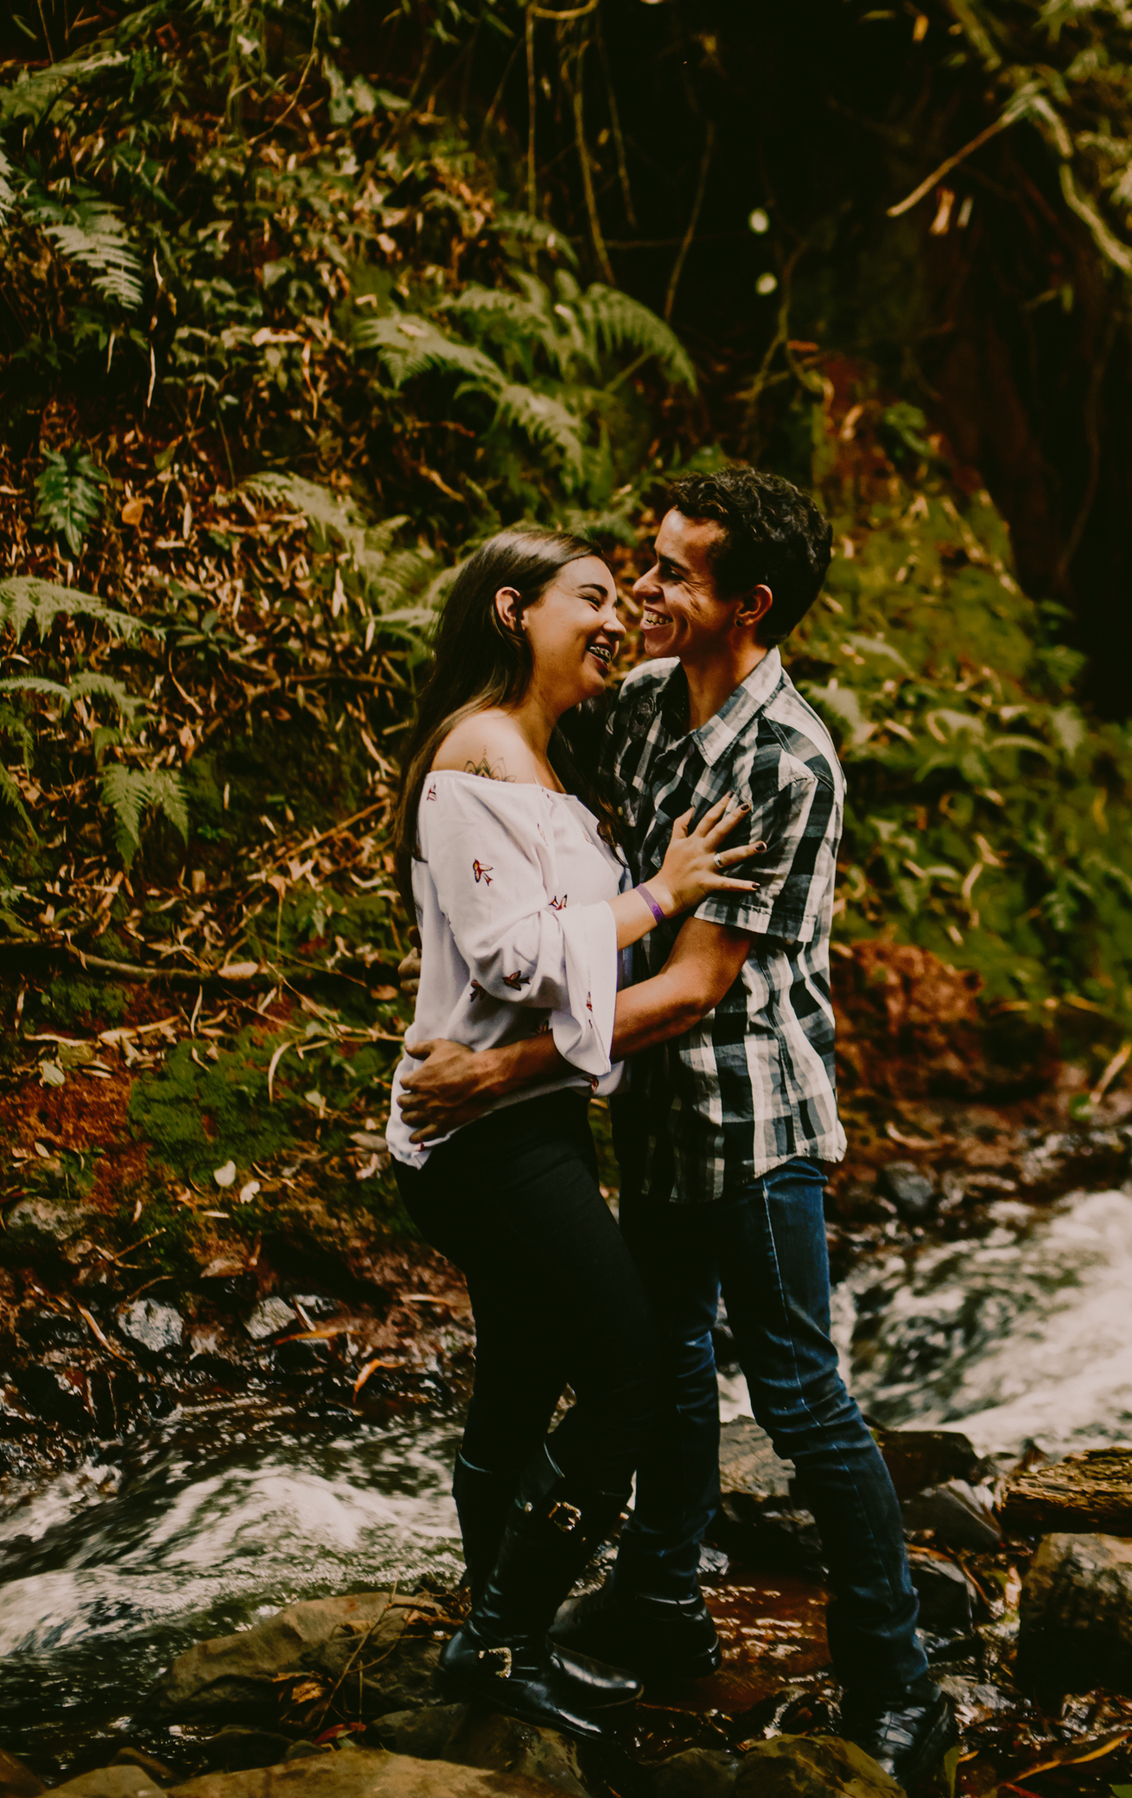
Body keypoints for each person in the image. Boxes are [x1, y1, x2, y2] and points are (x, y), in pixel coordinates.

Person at [396, 470, 955, 1790]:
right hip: (644, 1114)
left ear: (748, 604)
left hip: (751, 1117)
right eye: (640, 567)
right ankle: (653, 1600)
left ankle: (899, 1681)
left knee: (807, 1398)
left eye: (671, 576)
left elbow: (702, 981)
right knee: (665, 1368)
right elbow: (516, 809)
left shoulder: (785, 754)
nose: (642, 592)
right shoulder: (645, 706)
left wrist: (500, 1071)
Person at [386, 525, 764, 1743]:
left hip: (521, 1121)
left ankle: (499, 1634)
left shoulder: (537, 759)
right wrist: (661, 893)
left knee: (518, 1386)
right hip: (489, 1142)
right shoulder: (477, 758)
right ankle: (501, 1639)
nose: (616, 617)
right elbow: (516, 953)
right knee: (631, 1386)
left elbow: (549, 945)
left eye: (622, 597)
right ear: (512, 609)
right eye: (591, 598)